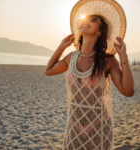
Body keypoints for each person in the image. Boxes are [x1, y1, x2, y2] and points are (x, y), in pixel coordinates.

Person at [45, 1, 135, 149]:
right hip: (73, 127)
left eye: (94, 20)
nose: (87, 21)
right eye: (86, 19)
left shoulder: (108, 61)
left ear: (100, 32)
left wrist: (123, 56)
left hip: (99, 127)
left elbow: (128, 91)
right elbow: (48, 70)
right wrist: (62, 46)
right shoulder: (71, 57)